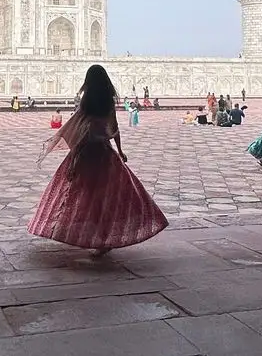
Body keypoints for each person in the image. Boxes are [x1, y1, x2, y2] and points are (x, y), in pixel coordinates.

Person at [28, 63, 168, 254]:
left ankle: (77, 233)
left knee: (78, 196)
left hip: (85, 153)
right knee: (106, 199)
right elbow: (114, 127)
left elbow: (78, 125)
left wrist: (74, 148)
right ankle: (104, 238)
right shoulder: (108, 101)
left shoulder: (87, 101)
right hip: (104, 153)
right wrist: (120, 150)